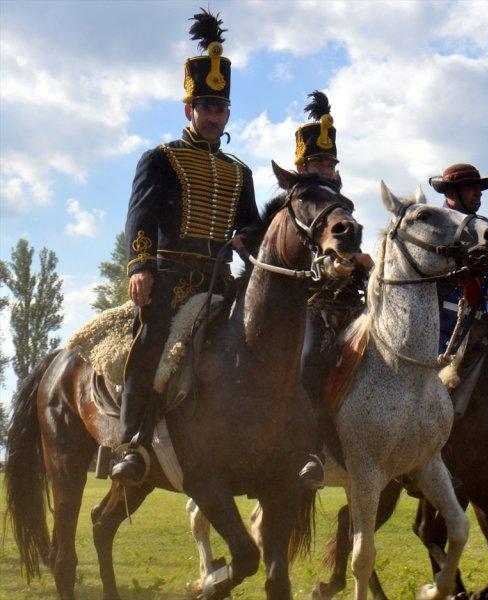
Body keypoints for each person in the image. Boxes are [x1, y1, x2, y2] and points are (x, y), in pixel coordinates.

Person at [112, 10, 260, 485]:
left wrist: (247, 242)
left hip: (221, 279)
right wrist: (140, 266)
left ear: (228, 114)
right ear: (188, 110)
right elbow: (141, 216)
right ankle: (131, 443)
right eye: (205, 107)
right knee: (150, 343)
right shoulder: (161, 159)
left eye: (220, 109)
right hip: (170, 277)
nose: (214, 116)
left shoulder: (241, 172)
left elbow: (253, 229)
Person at [294, 91, 372, 489]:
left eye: (330, 162)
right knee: (309, 363)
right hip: (310, 305)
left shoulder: (346, 207)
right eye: (320, 162)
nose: (327, 168)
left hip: (351, 306)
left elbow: (353, 255)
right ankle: (310, 447)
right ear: (303, 165)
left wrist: (362, 264)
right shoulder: (294, 205)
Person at [428, 163, 488, 351]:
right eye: (471, 187)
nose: (479, 193)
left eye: (479, 188)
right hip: (434, 322)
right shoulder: (432, 224)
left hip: (476, 324)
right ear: (450, 192)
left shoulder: (486, 228)